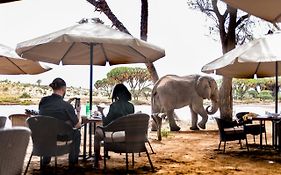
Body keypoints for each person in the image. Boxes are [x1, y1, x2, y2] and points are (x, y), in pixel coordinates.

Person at [38, 78, 82, 166]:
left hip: (44, 137)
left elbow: (50, 113)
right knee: (77, 133)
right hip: (60, 138)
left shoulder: (43, 101)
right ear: (63, 89)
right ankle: (73, 163)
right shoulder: (67, 106)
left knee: (49, 130)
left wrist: (67, 103)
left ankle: (46, 160)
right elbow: (77, 125)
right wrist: (78, 112)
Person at [94, 83, 134, 168]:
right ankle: (103, 155)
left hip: (115, 135)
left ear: (116, 94)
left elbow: (106, 123)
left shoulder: (113, 106)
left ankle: (96, 160)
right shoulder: (131, 106)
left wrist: (101, 112)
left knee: (97, 132)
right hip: (127, 135)